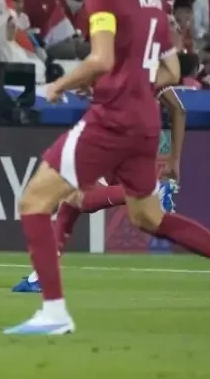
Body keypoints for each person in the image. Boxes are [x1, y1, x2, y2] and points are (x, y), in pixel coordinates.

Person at [6, 0, 210, 335]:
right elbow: (172, 71)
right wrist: (131, 80)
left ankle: (53, 312)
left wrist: (59, 85)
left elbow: (101, 58)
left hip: (113, 119)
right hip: (145, 120)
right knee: (149, 217)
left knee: (33, 201)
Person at [12, 85, 185, 293]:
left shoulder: (121, 66)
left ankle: (153, 191)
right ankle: (42, 276)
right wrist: (175, 158)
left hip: (112, 135)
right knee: (71, 201)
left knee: (77, 197)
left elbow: (100, 77)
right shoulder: (153, 72)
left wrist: (67, 87)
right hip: (139, 139)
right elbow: (179, 109)